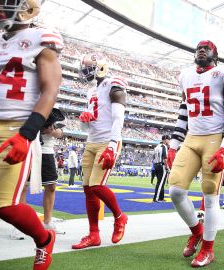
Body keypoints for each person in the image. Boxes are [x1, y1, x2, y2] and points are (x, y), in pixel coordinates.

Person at [0, 1, 62, 268]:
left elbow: (50, 91)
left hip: (16, 126)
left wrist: (26, 135)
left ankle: (44, 239)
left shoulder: (41, 39)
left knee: (4, 206)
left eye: (3, 1)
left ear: (26, 7)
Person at [166, 40, 224, 267]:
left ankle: (208, 249)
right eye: (198, 46)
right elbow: (183, 111)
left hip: (215, 137)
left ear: (215, 55)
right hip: (192, 137)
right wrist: (174, 143)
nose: (201, 48)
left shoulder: (223, 73)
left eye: (207, 47)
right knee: (176, 191)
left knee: (210, 195)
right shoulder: (186, 75)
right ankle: (196, 231)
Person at [72, 53, 128, 249]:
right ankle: (93, 235)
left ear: (100, 67)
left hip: (107, 141)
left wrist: (112, 145)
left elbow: (118, 118)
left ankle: (120, 217)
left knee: (96, 186)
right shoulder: (90, 91)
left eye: (88, 68)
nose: (85, 71)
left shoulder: (113, 83)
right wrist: (84, 120)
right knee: (88, 190)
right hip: (92, 141)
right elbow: (86, 129)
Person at [19, 108, 65, 234]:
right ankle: (20, 223)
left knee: (51, 186)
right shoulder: (28, 105)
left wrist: (52, 131)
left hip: (47, 151)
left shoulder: (51, 109)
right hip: (29, 149)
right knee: (23, 187)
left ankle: (48, 221)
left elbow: (61, 133)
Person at [153, 135, 170, 202]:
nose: (169, 141)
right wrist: (167, 167)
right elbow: (165, 158)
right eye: (169, 140)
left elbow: (154, 157)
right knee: (160, 183)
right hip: (161, 165)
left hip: (156, 165)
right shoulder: (164, 146)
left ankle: (161, 197)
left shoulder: (157, 147)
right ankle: (156, 198)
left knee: (160, 182)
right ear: (165, 140)